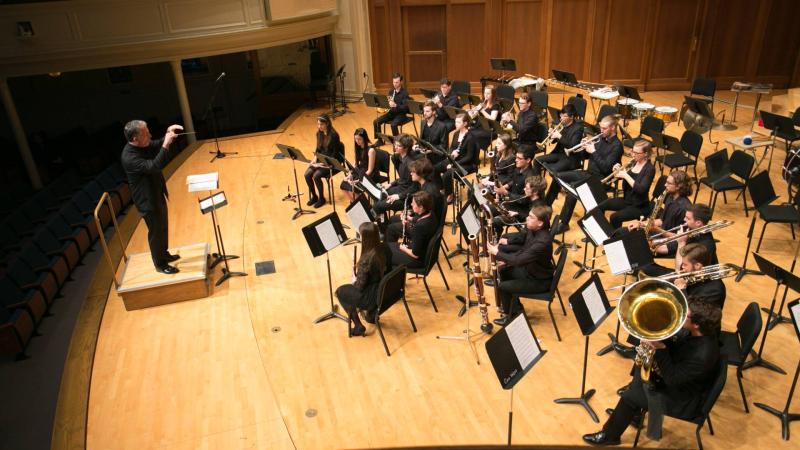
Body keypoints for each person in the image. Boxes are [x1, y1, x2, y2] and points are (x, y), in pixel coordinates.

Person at [582, 298, 721, 446]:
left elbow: (672, 379)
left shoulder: (702, 355)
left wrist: (659, 349)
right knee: (639, 370)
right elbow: (679, 346)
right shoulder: (701, 333)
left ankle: (610, 436)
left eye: (685, 315)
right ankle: (633, 415)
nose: (681, 316)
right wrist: (656, 335)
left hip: (682, 398)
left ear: (696, 324)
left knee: (630, 396)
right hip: (681, 380)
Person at [121, 120, 183, 274]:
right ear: (135, 138)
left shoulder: (142, 144)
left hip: (156, 192)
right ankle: (160, 264)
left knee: (163, 226)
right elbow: (154, 166)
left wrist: (168, 135)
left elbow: (156, 143)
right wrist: (166, 145)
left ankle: (164, 254)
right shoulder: (129, 157)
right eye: (145, 133)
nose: (149, 134)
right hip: (147, 200)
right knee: (155, 232)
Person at [487, 205, 555, 323]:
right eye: (528, 215)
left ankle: (511, 317)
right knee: (504, 271)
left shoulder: (542, 242)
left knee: (502, 287)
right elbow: (523, 249)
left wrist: (497, 252)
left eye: (531, 217)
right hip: (531, 270)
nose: (527, 218)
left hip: (539, 280)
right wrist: (506, 259)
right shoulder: (533, 230)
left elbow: (519, 261)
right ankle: (516, 308)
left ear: (540, 223)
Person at [335, 222, 391, 337]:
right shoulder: (385, 247)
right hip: (383, 290)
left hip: (371, 296)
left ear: (366, 239)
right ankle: (371, 315)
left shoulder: (366, 260)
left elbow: (358, 287)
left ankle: (358, 326)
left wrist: (354, 279)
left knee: (341, 292)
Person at [641, 203, 718, 277]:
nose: (684, 219)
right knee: (644, 264)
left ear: (698, 223)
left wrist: (681, 243)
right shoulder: (692, 230)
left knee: (646, 270)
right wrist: (646, 244)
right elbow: (669, 248)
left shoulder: (706, 245)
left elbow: (679, 270)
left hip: (691, 280)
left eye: (687, 218)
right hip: (684, 271)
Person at [597, 139, 656, 228]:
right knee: (601, 206)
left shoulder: (650, 169)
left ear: (646, 154)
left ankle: (615, 238)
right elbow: (626, 179)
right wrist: (619, 171)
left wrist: (625, 175)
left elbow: (641, 189)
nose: (633, 154)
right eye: (633, 151)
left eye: (636, 153)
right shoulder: (633, 162)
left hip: (639, 206)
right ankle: (603, 230)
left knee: (615, 217)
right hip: (627, 200)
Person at [635, 170, 692, 257]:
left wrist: (656, 229)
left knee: (638, 248)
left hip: (672, 242)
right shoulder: (670, 196)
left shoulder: (685, 208)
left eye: (669, 183)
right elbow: (662, 220)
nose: (665, 185)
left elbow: (680, 237)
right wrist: (644, 224)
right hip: (661, 233)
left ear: (678, 186)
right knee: (631, 234)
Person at [386, 158, 442, 243]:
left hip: (425, 227)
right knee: (392, 219)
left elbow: (428, 216)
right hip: (421, 218)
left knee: (391, 229)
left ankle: (390, 252)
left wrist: (410, 219)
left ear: (420, 174)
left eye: (413, 172)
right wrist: (409, 212)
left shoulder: (429, 192)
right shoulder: (422, 184)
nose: (411, 173)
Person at [388, 191, 437, 269]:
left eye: (413, 203)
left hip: (417, 260)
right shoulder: (431, 214)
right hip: (422, 250)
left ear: (421, 207)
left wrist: (403, 248)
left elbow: (415, 254)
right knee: (387, 247)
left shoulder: (420, 227)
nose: (411, 204)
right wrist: (408, 221)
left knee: (385, 252)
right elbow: (419, 227)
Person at [436, 113, 479, 199]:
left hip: (466, 165)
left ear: (465, 124)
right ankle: (442, 188)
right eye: (455, 122)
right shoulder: (456, 134)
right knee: (437, 167)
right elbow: (451, 147)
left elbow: (469, 157)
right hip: (455, 159)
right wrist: (452, 152)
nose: (456, 124)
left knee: (447, 175)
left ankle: (450, 194)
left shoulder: (470, 137)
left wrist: (453, 164)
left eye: (458, 122)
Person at [372, 134, 417, 217]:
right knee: (378, 194)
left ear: (406, 148)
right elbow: (402, 179)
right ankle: (382, 221)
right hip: (400, 188)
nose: (395, 147)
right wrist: (390, 184)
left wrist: (398, 196)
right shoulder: (401, 157)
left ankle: (382, 227)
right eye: (395, 144)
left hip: (406, 196)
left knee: (377, 206)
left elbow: (415, 187)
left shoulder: (410, 164)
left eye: (398, 146)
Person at [304, 114, 342, 208]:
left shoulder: (334, 135)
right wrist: (314, 160)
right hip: (321, 160)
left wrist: (325, 163)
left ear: (327, 124)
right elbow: (318, 149)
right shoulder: (319, 134)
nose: (319, 126)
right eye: (318, 124)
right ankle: (314, 196)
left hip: (332, 162)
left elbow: (335, 154)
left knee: (316, 176)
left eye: (321, 124)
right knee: (307, 174)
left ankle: (322, 198)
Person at [673, 243, 727, 310]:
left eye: (685, 264)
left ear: (697, 265)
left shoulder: (714, 290)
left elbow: (694, 313)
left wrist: (681, 290)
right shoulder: (690, 273)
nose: (682, 266)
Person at [535, 104, 584, 173]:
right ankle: (537, 182)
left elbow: (572, 146)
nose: (561, 118)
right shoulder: (562, 125)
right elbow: (555, 141)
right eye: (561, 115)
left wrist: (559, 136)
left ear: (572, 117)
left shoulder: (578, 129)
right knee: (537, 160)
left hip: (570, 158)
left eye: (565, 116)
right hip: (558, 153)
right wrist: (552, 136)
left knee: (553, 171)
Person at [340, 128, 377, 203]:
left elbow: (370, 170)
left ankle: (365, 206)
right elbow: (356, 164)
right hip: (360, 171)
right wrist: (349, 174)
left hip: (369, 175)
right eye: (356, 139)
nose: (357, 141)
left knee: (352, 187)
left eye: (359, 139)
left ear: (364, 138)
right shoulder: (358, 147)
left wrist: (358, 181)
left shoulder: (371, 150)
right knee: (343, 185)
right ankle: (356, 204)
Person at [373, 72, 410, 142]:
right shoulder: (391, 91)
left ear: (401, 82)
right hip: (391, 113)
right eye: (394, 82)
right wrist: (387, 103)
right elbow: (388, 102)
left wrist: (396, 105)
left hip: (401, 114)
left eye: (397, 82)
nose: (395, 84)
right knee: (376, 122)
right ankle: (379, 141)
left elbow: (405, 107)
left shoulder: (405, 93)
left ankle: (397, 142)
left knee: (393, 124)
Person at [469, 84, 503, 150]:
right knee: (469, 132)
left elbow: (492, 118)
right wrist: (472, 112)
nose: (485, 95)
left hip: (491, 129)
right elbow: (474, 115)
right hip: (482, 126)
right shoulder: (483, 102)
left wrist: (482, 110)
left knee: (474, 135)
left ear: (493, 94)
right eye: (485, 93)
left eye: (488, 93)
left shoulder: (496, 105)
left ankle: (475, 152)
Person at [417, 101, 449, 165]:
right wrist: (417, 146)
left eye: (427, 111)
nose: (424, 113)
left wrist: (431, 150)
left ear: (434, 112)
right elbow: (422, 139)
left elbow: (443, 146)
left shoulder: (442, 126)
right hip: (425, 151)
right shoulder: (423, 122)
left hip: (436, 154)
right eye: (424, 111)